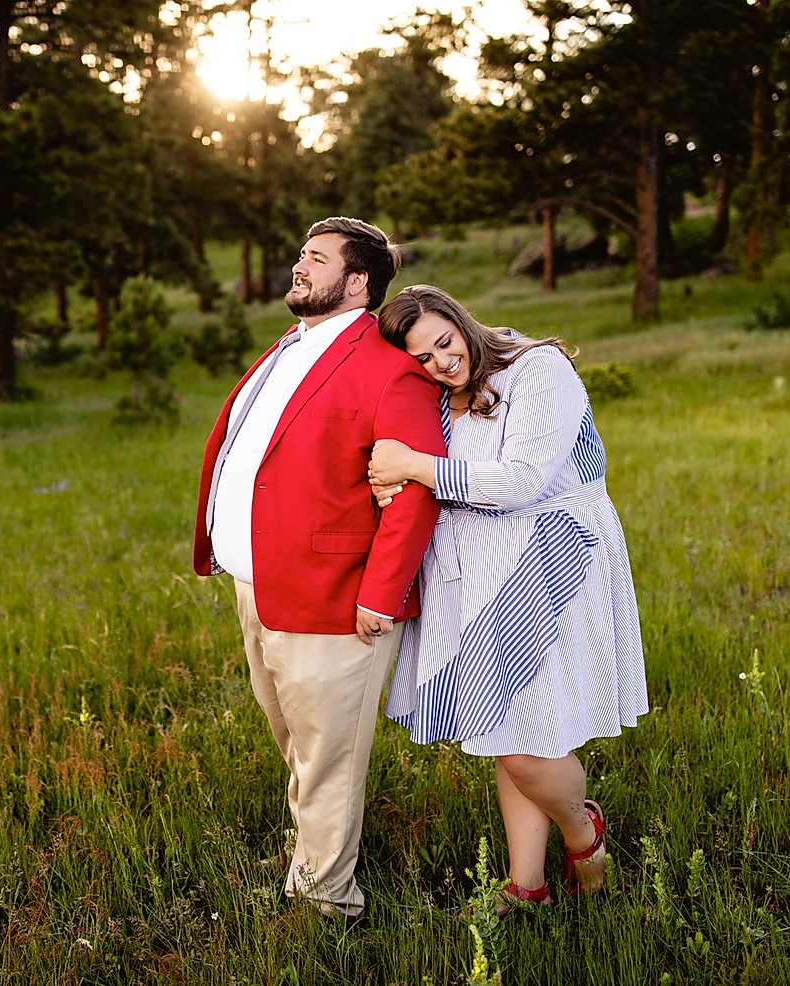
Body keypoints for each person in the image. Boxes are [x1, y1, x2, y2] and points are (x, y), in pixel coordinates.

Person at [193, 218, 447, 926]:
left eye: (315, 258)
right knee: (296, 741)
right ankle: (312, 855)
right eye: (301, 255)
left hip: (339, 598)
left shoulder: (389, 368)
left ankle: (327, 904)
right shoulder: (288, 348)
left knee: (330, 755)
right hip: (260, 584)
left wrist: (381, 594)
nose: (298, 267)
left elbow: (414, 494)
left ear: (358, 280)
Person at [366, 284, 647, 912]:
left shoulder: (537, 370)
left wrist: (413, 466)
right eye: (423, 358)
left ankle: (583, 833)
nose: (441, 361)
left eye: (445, 341)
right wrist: (394, 482)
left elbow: (521, 480)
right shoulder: (440, 399)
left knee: (528, 744)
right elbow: (418, 476)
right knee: (504, 732)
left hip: (553, 563)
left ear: (462, 322)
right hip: (480, 578)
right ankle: (527, 886)